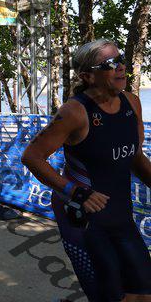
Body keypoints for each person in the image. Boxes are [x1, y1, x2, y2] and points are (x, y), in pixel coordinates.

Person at [21, 39, 151, 302]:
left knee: (143, 294)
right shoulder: (74, 112)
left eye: (121, 59)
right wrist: (75, 192)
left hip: (121, 216)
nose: (120, 67)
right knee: (111, 296)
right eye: (110, 63)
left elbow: (135, 157)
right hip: (84, 220)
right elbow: (32, 156)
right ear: (87, 76)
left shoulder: (132, 102)